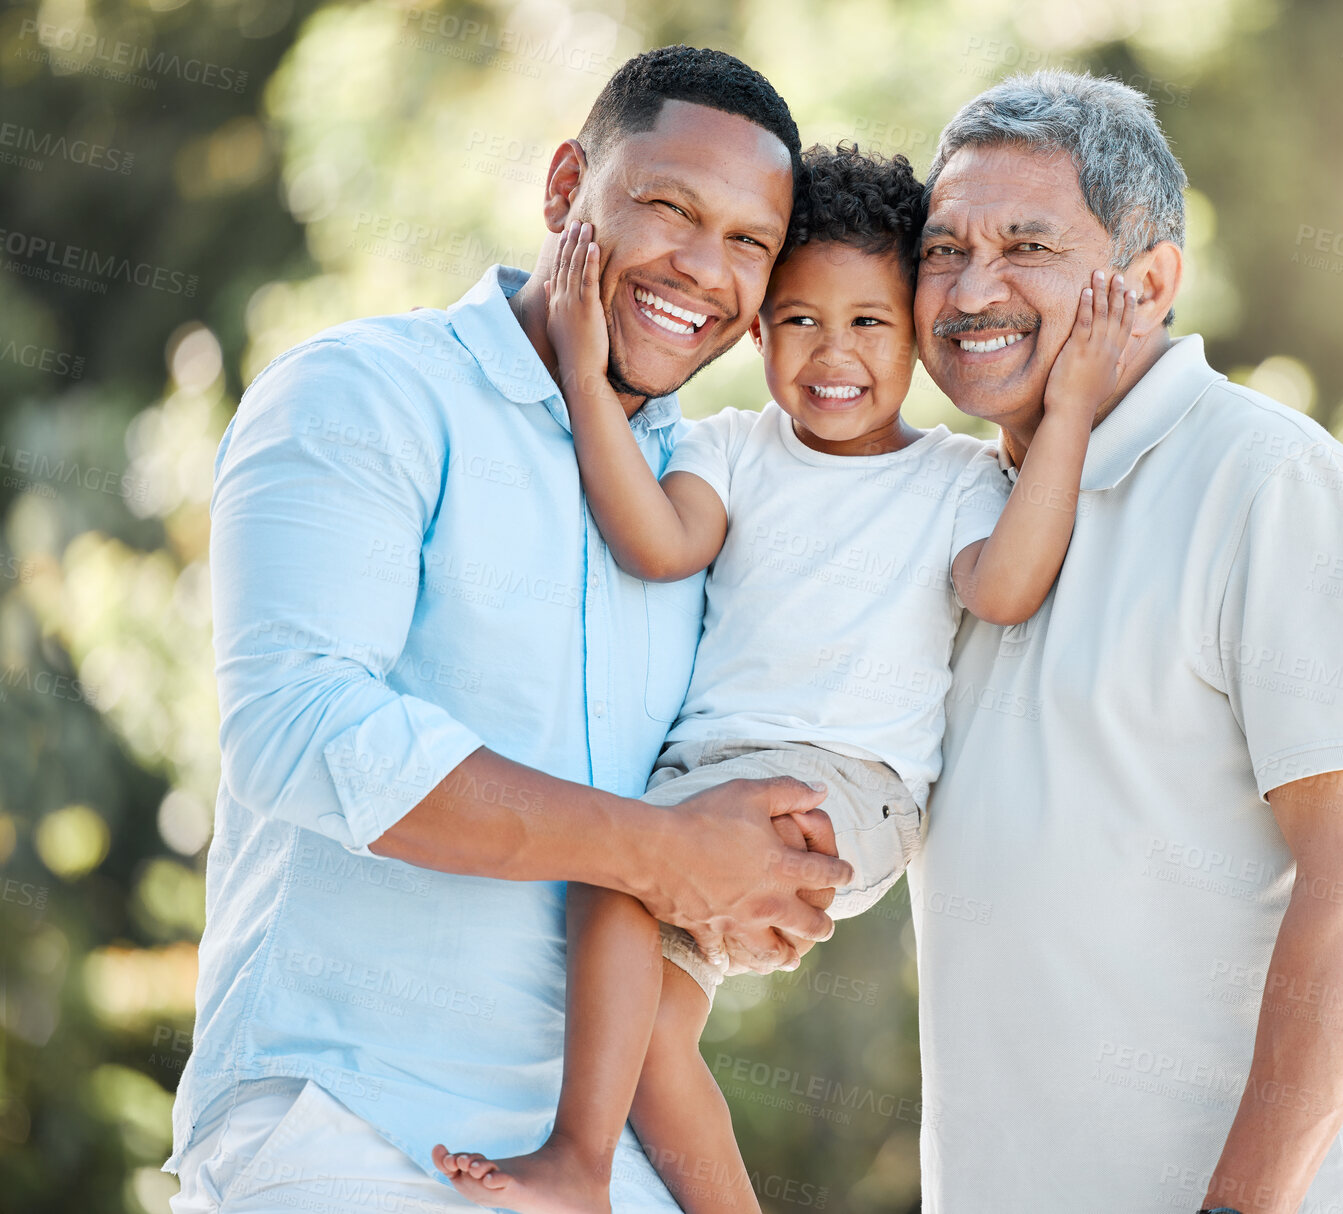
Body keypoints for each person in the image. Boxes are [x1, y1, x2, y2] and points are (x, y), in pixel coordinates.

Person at [167, 47, 858, 1214]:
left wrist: (763, 876)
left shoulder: (705, 495)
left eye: (749, 243)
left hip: (603, 1165)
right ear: (563, 190)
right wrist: (663, 849)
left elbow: (734, 794)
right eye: (670, 208)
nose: (705, 267)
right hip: (347, 1129)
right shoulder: (364, 393)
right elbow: (297, 726)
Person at [437, 143, 1135, 1214]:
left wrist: (1071, 413)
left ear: (918, 335)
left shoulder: (952, 477)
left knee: (620, 861)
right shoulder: (731, 449)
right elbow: (659, 545)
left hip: (850, 788)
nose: (833, 353)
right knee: (651, 1008)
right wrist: (583, 372)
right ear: (758, 331)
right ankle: (589, 1164)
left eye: (871, 323)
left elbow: (1004, 588)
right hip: (702, 783)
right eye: (801, 320)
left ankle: (580, 1154)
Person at [910, 72, 1343, 1213]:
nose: (971, 287)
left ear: (1149, 282)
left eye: (1027, 244)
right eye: (942, 248)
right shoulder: (951, 515)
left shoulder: (1272, 484)